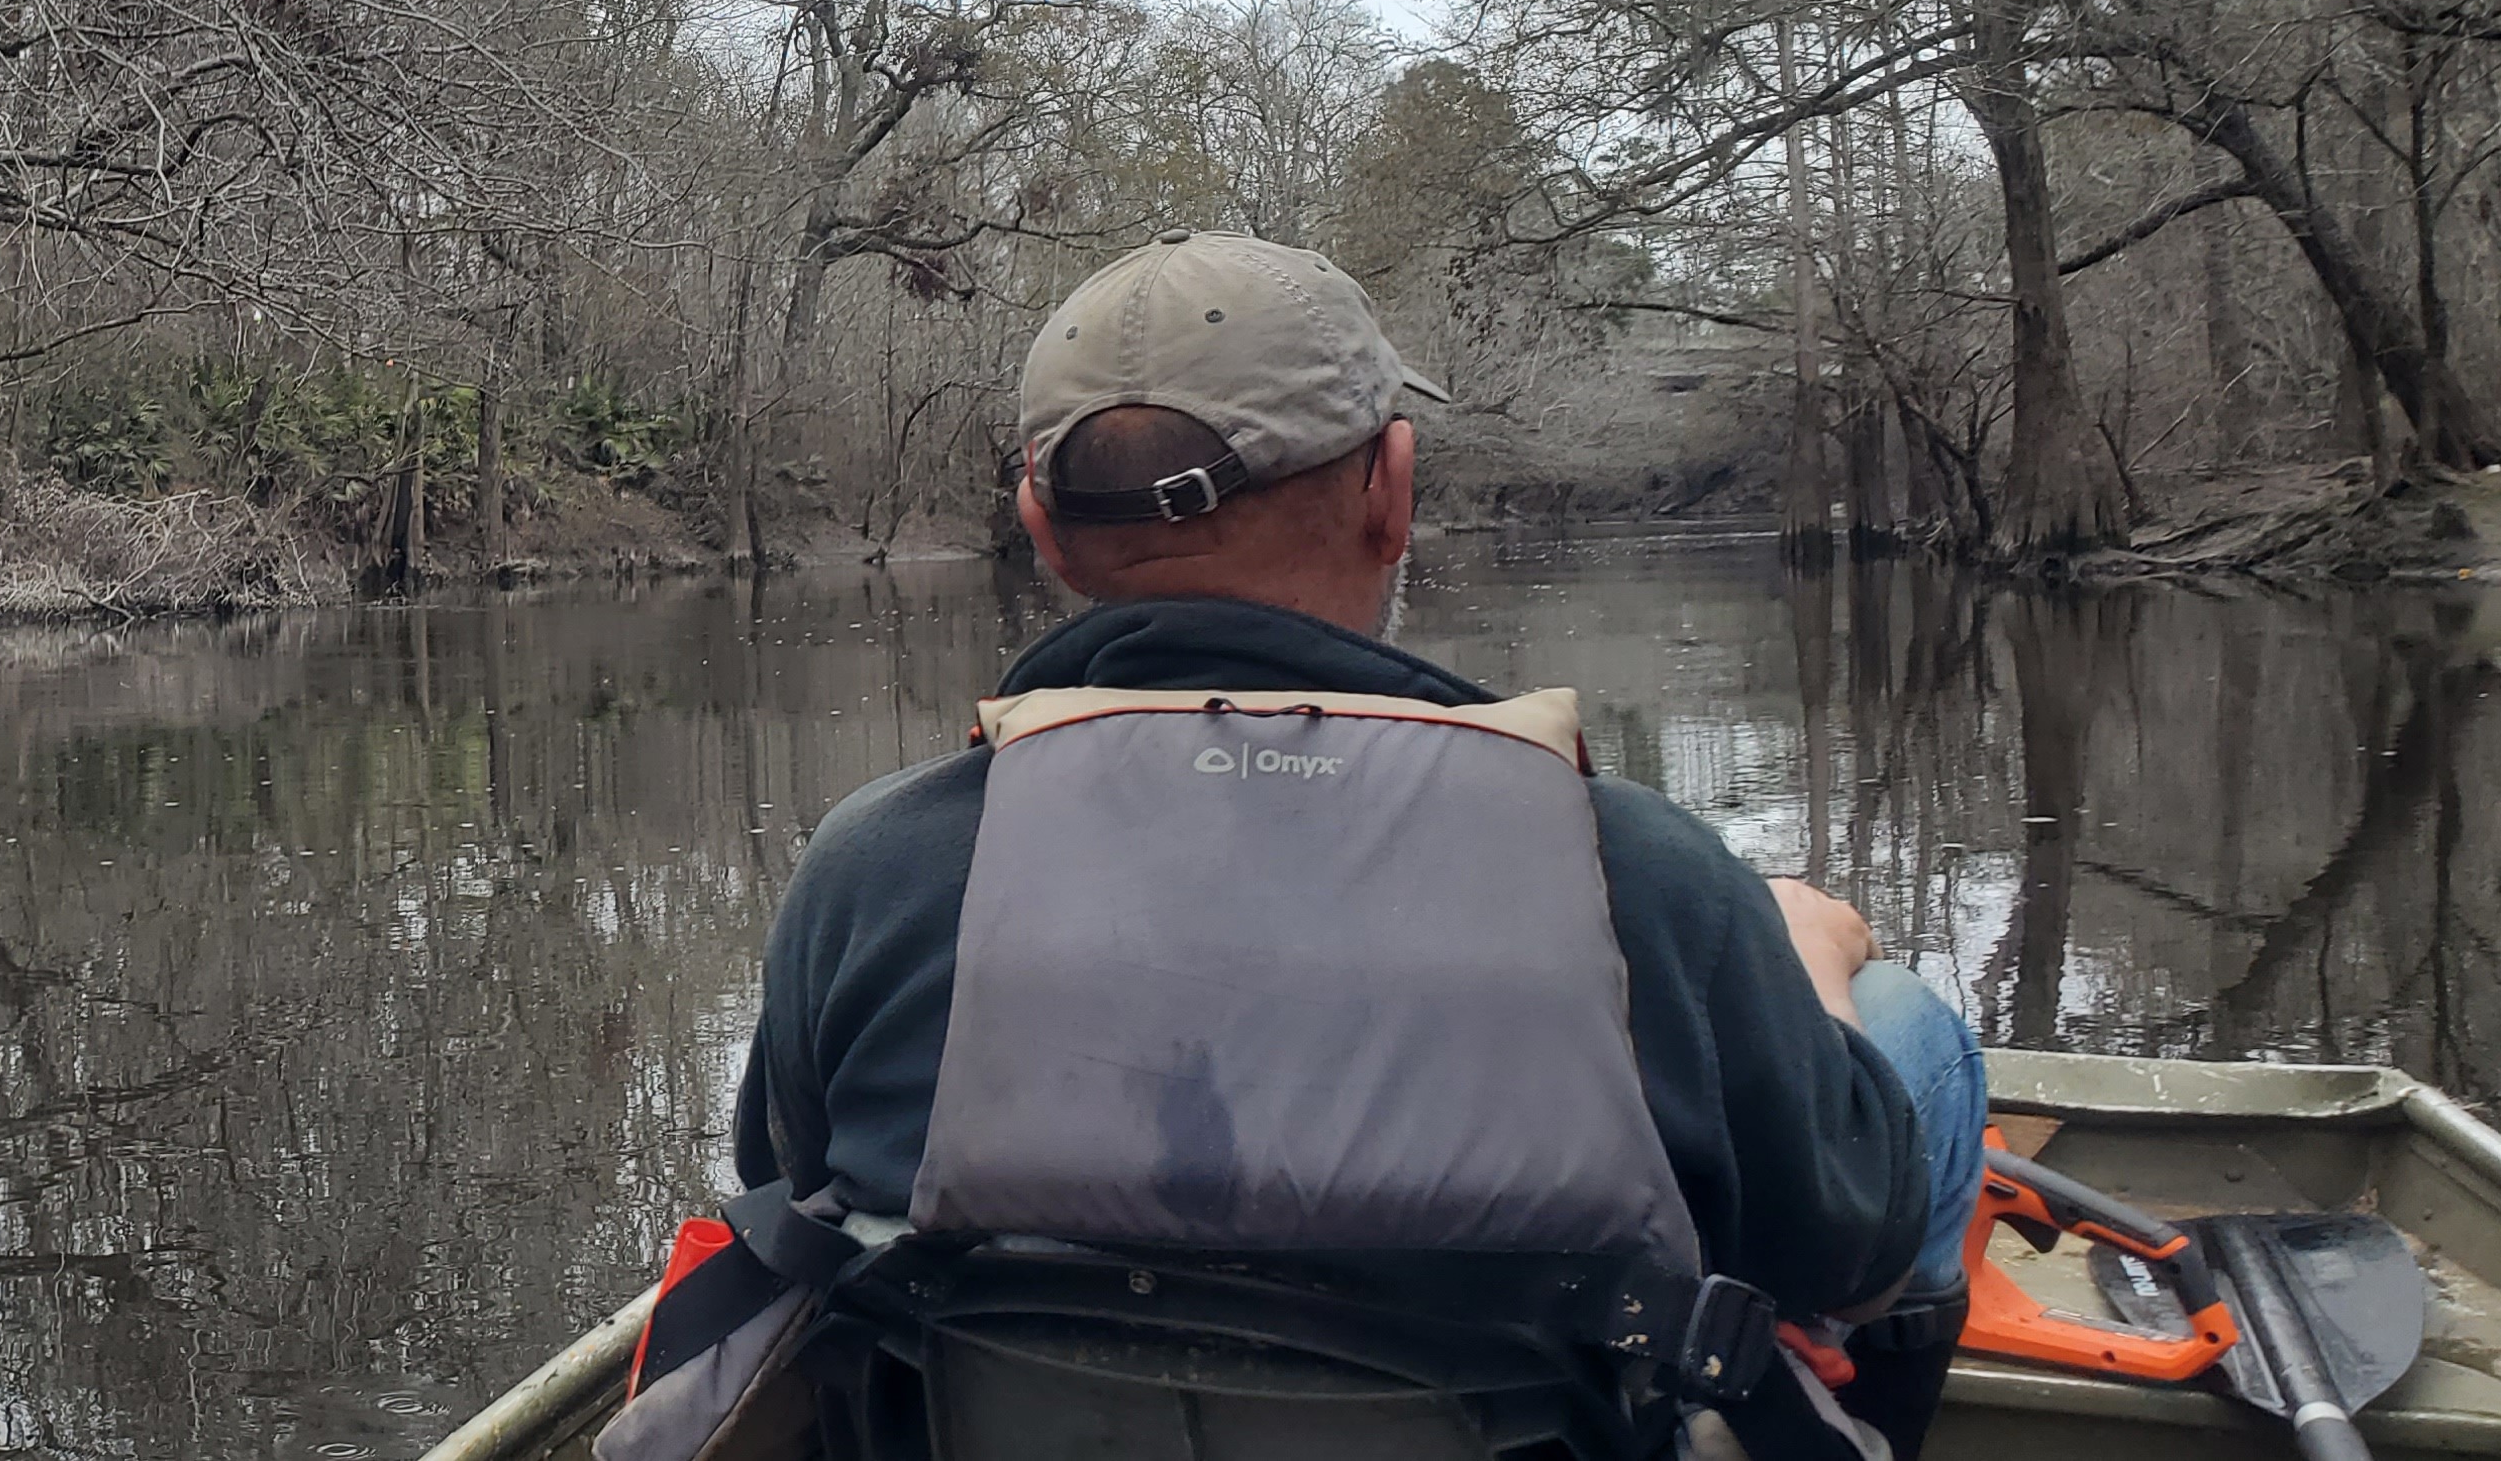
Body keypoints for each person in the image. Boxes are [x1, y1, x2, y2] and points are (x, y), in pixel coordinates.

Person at [612, 232, 1985, 1461]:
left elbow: (790, 1189)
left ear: (1040, 524)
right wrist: (1806, 958)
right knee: (1907, 1028)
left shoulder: (874, 868)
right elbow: (1844, 1247)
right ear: (1393, 487)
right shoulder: (1640, 875)